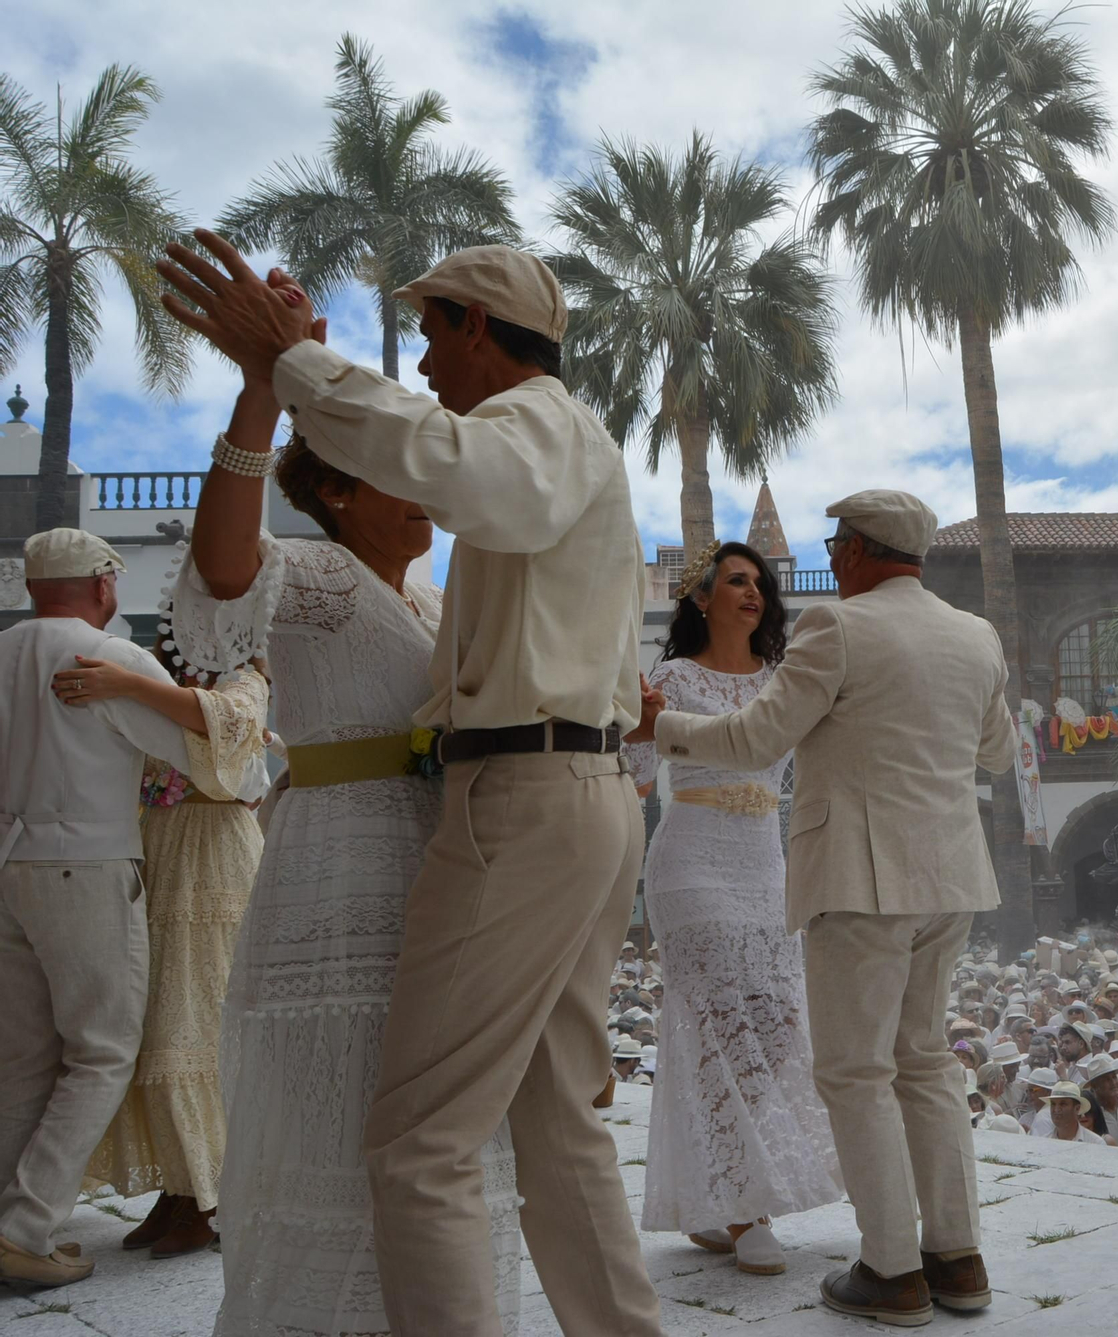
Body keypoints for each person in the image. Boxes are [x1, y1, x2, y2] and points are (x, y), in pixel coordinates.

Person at [160, 235, 652, 1335]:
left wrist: (292, 366)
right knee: (552, 1117)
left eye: (431, 329)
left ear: (476, 324)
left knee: (420, 1143)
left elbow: (458, 466)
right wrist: (268, 388)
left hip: (520, 803)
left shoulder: (523, 432)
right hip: (537, 800)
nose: (423, 361)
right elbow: (231, 575)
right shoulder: (352, 560)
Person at [162, 325, 526, 1331]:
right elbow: (226, 567)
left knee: (419, 1095)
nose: (420, 492)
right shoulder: (314, 578)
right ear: (336, 491)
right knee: (338, 1095)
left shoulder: (432, 593)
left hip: (432, 853)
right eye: (388, 473)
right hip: (337, 856)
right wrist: (260, 391)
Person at [647, 489, 1015, 1326]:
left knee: (857, 1072)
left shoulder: (837, 628)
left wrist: (663, 725)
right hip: (951, 878)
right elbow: (995, 748)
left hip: (861, 879)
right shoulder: (975, 635)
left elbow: (753, 740)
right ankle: (957, 1259)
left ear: (851, 551)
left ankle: (890, 1270)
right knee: (926, 1062)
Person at [0, 532, 224, 1289]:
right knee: (99, 1051)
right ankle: (22, 1229)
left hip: (8, 866)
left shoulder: (2, 651)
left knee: (24, 1055)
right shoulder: (111, 659)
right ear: (102, 583)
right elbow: (208, 761)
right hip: (86, 863)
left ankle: (8, 1221)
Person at [624, 540, 842, 1276]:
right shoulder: (672, 677)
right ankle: (749, 1208)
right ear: (702, 598)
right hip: (690, 864)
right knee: (718, 1026)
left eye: (760, 583)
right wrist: (633, 722)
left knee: (777, 1024)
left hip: (765, 864)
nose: (752, 592)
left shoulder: (785, 681)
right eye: (736, 580)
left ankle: (720, 1191)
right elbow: (639, 779)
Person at [61, 634, 270, 1259]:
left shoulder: (245, 675)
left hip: (216, 847)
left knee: (196, 1016)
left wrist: (127, 686)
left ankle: (210, 1196)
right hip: (158, 844)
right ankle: (180, 1187)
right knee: (157, 1018)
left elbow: (231, 720)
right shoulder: (151, 670)